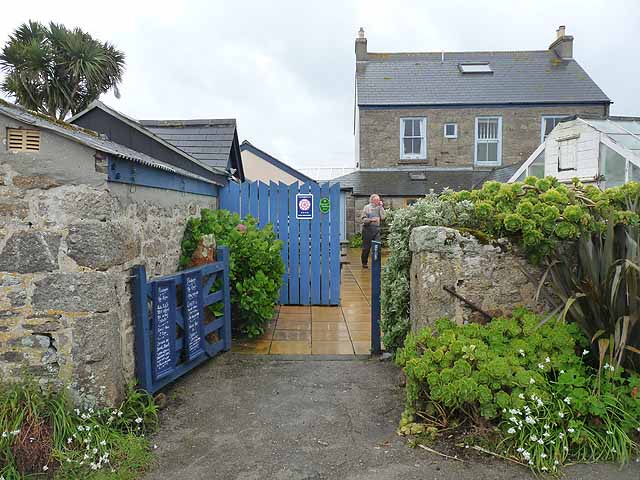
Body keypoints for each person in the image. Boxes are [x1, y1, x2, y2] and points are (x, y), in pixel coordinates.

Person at [360, 194, 385, 268]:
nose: (379, 201)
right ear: (372, 200)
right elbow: (363, 220)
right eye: (377, 200)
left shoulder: (380, 207)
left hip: (376, 229)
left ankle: (376, 263)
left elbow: (383, 217)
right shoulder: (367, 208)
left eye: (379, 199)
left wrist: (381, 207)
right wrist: (371, 220)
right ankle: (364, 262)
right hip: (367, 229)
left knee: (377, 246)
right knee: (366, 248)